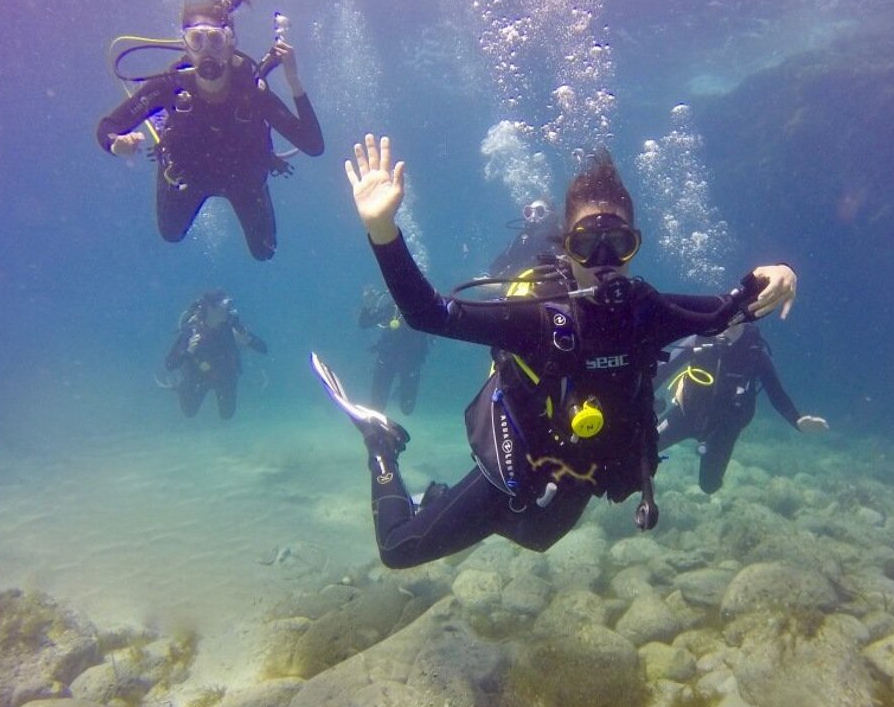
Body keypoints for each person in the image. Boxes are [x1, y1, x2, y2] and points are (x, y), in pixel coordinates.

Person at [312, 133, 799, 570]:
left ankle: (444, 502)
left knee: (536, 537)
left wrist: (775, 273)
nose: (604, 261)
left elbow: (727, 311)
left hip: (582, 473)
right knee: (400, 550)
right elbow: (429, 314)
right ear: (567, 246)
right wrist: (383, 232)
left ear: (635, 247)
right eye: (588, 245)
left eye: (619, 244)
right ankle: (381, 448)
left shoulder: (649, 312)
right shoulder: (542, 320)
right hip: (520, 467)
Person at [96, 0, 324, 260]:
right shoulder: (170, 86)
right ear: (185, 45)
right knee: (171, 234)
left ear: (231, 44)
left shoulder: (251, 89)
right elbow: (108, 126)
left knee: (265, 252)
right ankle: (166, 144)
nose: (207, 50)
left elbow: (313, 145)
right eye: (197, 40)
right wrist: (115, 144)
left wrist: (294, 81)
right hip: (188, 174)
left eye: (216, 40)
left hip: (243, 177)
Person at [655, 322, 828, 494]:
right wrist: (635, 395)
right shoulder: (698, 340)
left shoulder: (754, 353)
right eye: (728, 317)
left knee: (709, 486)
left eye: (739, 320)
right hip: (686, 413)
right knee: (640, 449)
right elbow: (661, 371)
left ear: (747, 322)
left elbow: (776, 393)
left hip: (724, 427)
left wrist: (797, 421)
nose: (731, 324)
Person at [165, 289, 267, 420]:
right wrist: (187, 351)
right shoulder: (193, 330)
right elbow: (169, 364)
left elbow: (263, 348)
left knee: (227, 415)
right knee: (189, 412)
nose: (229, 310)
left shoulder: (231, 327)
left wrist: (249, 340)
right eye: (225, 306)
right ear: (210, 308)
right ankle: (183, 387)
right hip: (198, 376)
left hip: (223, 375)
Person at [357, 286, 430, 415]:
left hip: (411, 363)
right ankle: (376, 431)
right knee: (377, 407)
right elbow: (365, 323)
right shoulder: (393, 307)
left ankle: (399, 394)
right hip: (387, 359)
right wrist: (368, 305)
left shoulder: (425, 308)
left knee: (407, 408)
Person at [487, 198, 563, 278]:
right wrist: (489, 275)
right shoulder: (523, 235)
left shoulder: (556, 236)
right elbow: (508, 255)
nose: (533, 217)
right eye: (529, 212)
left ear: (549, 215)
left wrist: (503, 285)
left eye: (540, 212)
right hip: (516, 283)